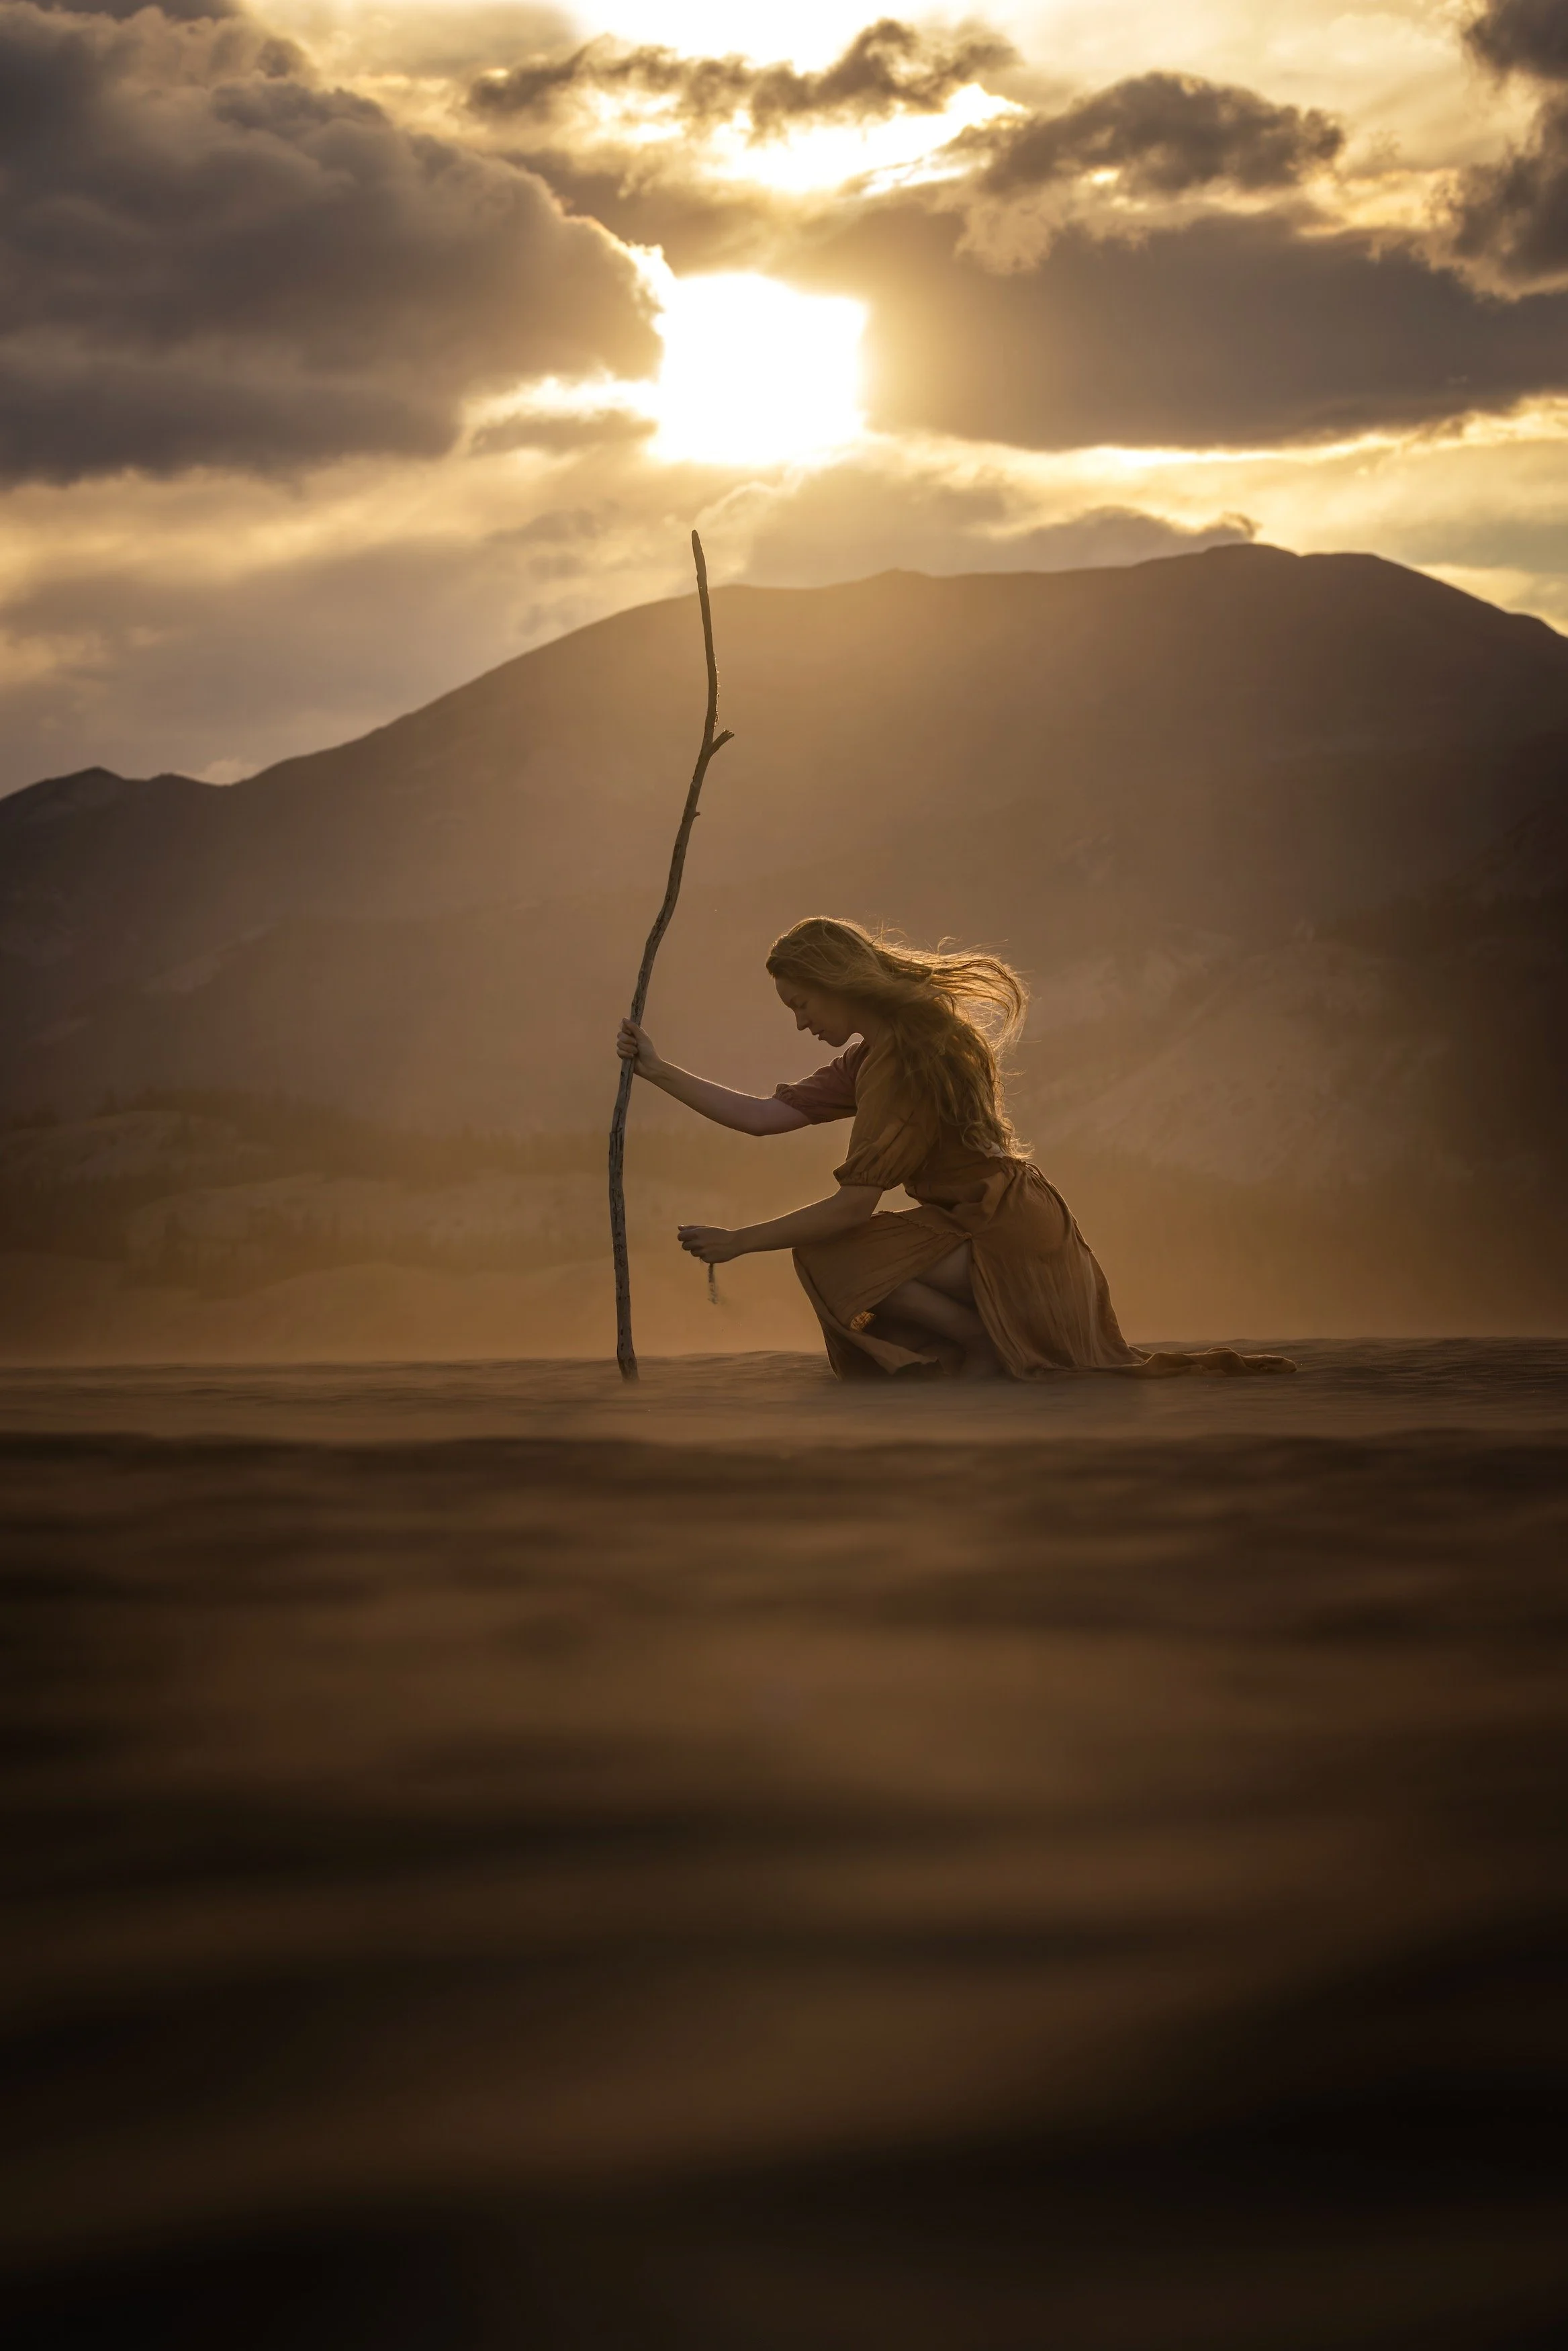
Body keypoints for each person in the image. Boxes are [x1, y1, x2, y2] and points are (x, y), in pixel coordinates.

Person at [615, 916, 1293, 1382]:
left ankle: (978, 1344)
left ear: (837, 985)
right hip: (988, 1225)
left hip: (1006, 1236)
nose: (800, 1022)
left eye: (803, 1004)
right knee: (828, 1248)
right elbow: (763, 1117)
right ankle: (978, 1343)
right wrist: (657, 1069)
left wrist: (740, 1240)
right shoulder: (869, 1058)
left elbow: (852, 1210)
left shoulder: (907, 1058)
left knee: (828, 1248)